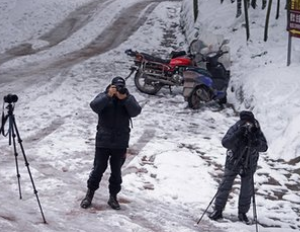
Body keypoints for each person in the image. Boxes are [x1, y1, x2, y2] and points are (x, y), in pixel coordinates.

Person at [80, 76, 142, 210]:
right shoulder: (104, 96)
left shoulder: (127, 98)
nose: (118, 89)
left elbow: (136, 111)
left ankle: (113, 197)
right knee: (97, 170)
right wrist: (108, 96)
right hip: (103, 142)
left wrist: (124, 98)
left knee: (116, 173)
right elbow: (94, 106)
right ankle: (89, 195)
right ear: (110, 86)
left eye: (121, 86)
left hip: (120, 143)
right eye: (116, 86)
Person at [209, 111, 268, 223]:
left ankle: (242, 214)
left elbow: (264, 147)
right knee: (225, 186)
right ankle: (218, 210)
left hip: (249, 163)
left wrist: (255, 142)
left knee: (247, 190)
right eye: (244, 122)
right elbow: (225, 143)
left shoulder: (256, 131)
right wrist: (238, 134)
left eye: (249, 122)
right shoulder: (236, 128)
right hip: (233, 162)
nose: (247, 125)